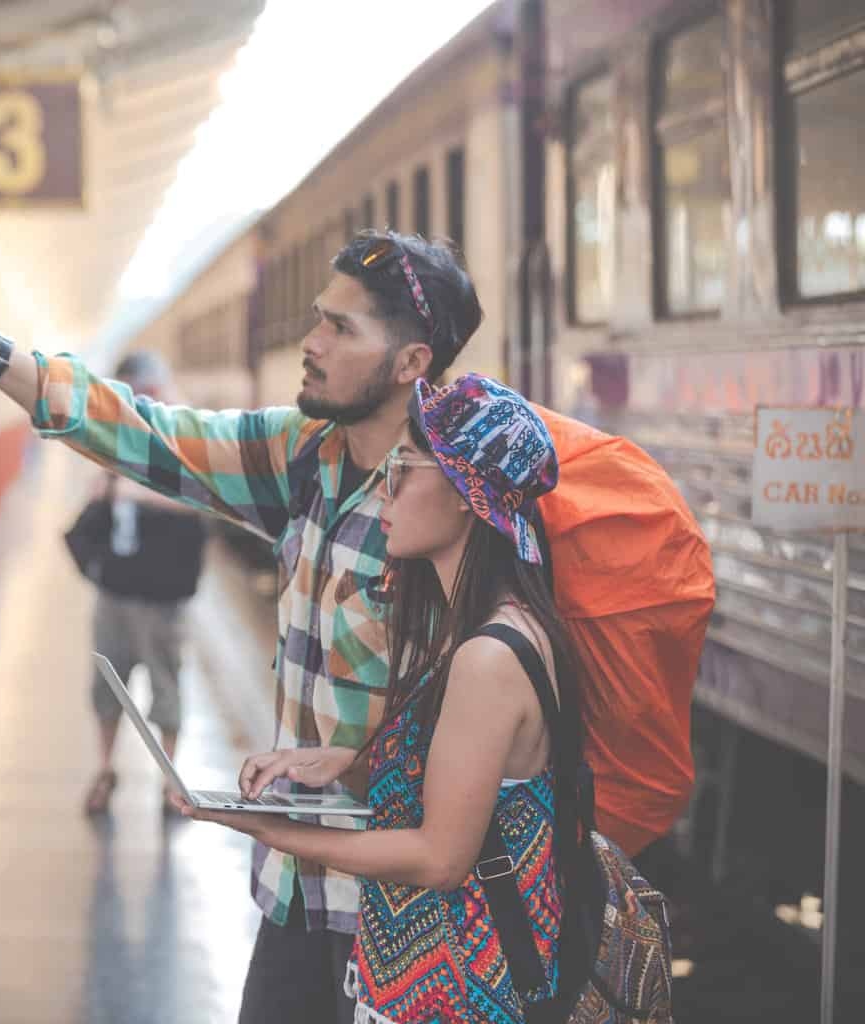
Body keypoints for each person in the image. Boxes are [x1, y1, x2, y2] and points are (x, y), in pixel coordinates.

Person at [0, 230, 482, 1023]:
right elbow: (146, 433)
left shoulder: (452, 511)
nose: (311, 342)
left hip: (404, 918)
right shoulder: (305, 459)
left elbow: (482, 723)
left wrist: (358, 767)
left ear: (412, 363)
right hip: (295, 891)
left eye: (341, 328)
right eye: (318, 318)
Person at [173, 374, 575, 1024]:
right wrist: (342, 760)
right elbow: (463, 785)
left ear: (469, 495)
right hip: (436, 979)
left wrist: (277, 830)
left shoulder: (489, 655)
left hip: (464, 996)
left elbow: (439, 857)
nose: (385, 489)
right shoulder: (473, 629)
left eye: (406, 468)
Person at [74, 351, 208, 816]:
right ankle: (105, 769)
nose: (141, 402)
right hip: (116, 587)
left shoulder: (189, 437)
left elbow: (206, 502)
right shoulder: (121, 437)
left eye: (148, 392)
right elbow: (101, 490)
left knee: (165, 685)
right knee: (106, 687)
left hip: (164, 593)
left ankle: (169, 781)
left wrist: (130, 492)